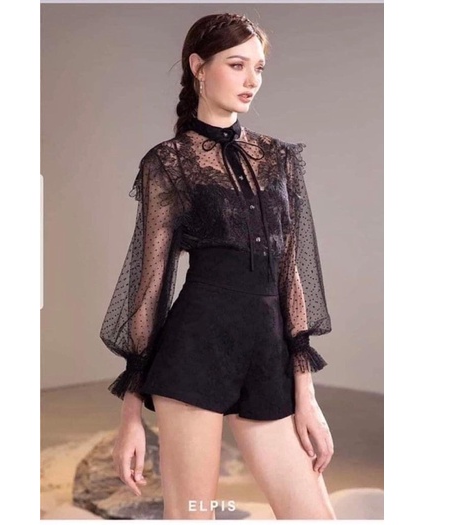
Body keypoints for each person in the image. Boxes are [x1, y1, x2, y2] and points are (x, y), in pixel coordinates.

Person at [100, 12, 336, 520]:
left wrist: (306, 392)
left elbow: (292, 271)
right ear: (198, 67)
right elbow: (151, 284)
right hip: (195, 353)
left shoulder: (279, 158)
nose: (252, 80)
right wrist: (131, 415)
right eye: (236, 64)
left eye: (259, 67)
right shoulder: (169, 162)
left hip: (267, 354)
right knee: (193, 514)